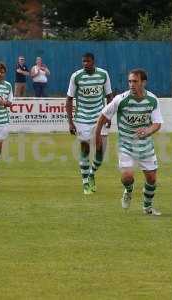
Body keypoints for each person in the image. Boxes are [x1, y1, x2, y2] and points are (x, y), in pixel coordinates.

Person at [95, 69, 163, 215]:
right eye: (130, 81)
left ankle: (147, 207)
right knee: (127, 177)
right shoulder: (121, 99)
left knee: (151, 179)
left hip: (146, 146)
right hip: (126, 145)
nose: (131, 84)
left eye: (135, 81)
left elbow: (157, 123)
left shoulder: (152, 100)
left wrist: (148, 131)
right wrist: (97, 137)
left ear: (143, 82)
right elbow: (102, 117)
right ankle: (128, 190)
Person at [66, 52, 113, 194]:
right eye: (83, 62)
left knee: (100, 151)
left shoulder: (103, 74)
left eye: (87, 61)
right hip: (82, 119)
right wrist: (70, 122)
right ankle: (86, 182)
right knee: (85, 149)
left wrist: (109, 116)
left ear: (93, 61)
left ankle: (92, 173)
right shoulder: (76, 76)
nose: (85, 64)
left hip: (100, 117)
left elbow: (109, 96)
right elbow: (69, 99)